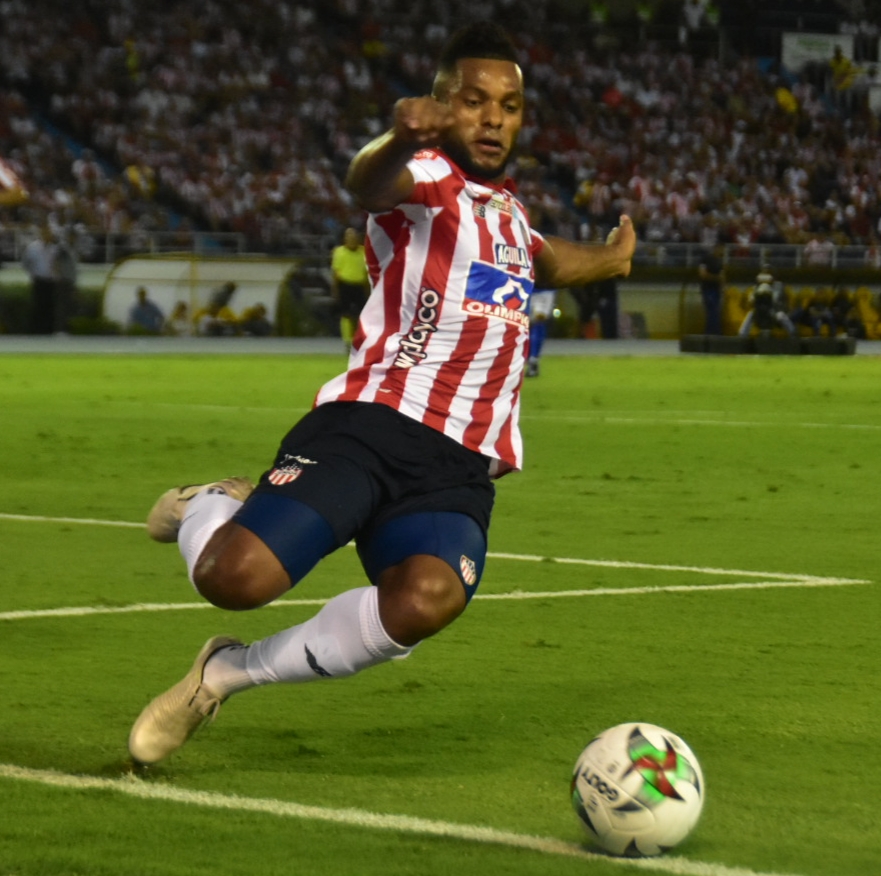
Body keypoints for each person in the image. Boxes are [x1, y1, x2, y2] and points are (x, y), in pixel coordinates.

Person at [127, 21, 637, 766]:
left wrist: (614, 260)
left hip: (456, 464)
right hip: (370, 428)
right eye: (473, 100)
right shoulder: (423, 179)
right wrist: (399, 137)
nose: (493, 118)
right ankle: (206, 503)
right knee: (234, 580)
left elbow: (550, 261)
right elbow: (367, 183)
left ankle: (222, 675)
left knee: (425, 599)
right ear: (441, 105)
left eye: (509, 106)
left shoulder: (511, 217)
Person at [330, 226, 370, 350]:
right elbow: (335, 273)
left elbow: (366, 272)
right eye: (349, 236)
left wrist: (368, 290)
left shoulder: (364, 252)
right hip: (345, 285)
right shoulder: (339, 252)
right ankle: (347, 341)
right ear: (345, 239)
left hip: (360, 285)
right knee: (346, 314)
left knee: (361, 315)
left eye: (354, 236)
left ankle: (360, 339)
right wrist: (335, 290)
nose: (351, 239)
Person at [21, 226, 58, 335]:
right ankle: (36, 330)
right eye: (46, 233)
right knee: (38, 305)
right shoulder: (33, 248)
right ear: (41, 234)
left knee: (50, 306)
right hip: (39, 281)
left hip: (51, 281)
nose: (48, 236)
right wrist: (33, 273)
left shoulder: (54, 248)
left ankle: (48, 331)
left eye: (50, 233)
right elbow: (25, 263)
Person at [738, 271, 795, 338]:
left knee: (781, 315)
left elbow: (776, 300)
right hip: (760, 315)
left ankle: (793, 334)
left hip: (773, 314)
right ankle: (742, 335)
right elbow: (751, 300)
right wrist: (757, 295)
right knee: (751, 314)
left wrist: (768, 294)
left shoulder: (778, 286)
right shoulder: (756, 288)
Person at [526, 287, 555, 377]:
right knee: (537, 324)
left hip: (532, 290)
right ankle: (533, 359)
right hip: (545, 291)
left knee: (533, 324)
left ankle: (531, 359)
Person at [696, 244, 723, 335]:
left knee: (715, 311)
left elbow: (722, 276)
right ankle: (711, 333)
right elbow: (703, 275)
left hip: (716, 289)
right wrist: (716, 278)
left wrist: (722, 287)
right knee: (712, 311)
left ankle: (714, 332)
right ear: (715, 248)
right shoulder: (705, 259)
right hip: (708, 289)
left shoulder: (719, 261)